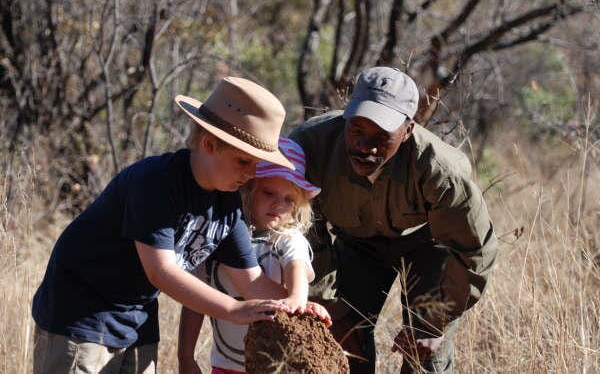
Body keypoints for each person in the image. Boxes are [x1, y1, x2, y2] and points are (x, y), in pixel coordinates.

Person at [31, 77, 299, 374]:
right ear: (209, 144)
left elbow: (251, 282)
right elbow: (161, 271)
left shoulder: (228, 205)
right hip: (81, 313)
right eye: (243, 162)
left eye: (256, 164)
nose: (251, 175)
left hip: (137, 319)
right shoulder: (155, 182)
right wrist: (232, 310)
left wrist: (297, 306)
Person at [290, 66, 498, 373]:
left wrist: (435, 322)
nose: (364, 147)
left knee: (426, 357)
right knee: (340, 344)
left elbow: (473, 251)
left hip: (429, 245)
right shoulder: (311, 148)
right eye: (356, 130)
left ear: (409, 129)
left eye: (380, 137)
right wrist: (329, 304)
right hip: (357, 243)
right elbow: (301, 232)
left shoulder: (441, 171)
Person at [178, 136, 332, 374]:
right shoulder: (218, 235)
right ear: (248, 189)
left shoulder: (287, 240)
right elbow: (194, 301)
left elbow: (297, 270)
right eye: (269, 193)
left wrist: (296, 301)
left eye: (289, 199)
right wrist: (186, 356)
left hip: (273, 363)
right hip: (224, 363)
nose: (278, 204)